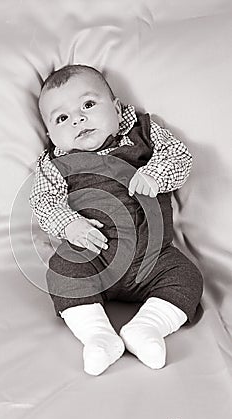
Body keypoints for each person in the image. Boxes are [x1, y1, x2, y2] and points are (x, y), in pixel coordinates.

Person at [29, 64, 203, 376]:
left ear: (117, 107)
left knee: (188, 277)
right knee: (62, 271)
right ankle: (99, 336)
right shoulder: (55, 163)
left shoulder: (143, 133)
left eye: (88, 105)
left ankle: (146, 328)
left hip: (155, 257)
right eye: (62, 118)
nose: (78, 119)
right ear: (51, 134)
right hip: (94, 257)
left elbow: (180, 156)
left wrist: (154, 174)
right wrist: (69, 224)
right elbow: (43, 201)